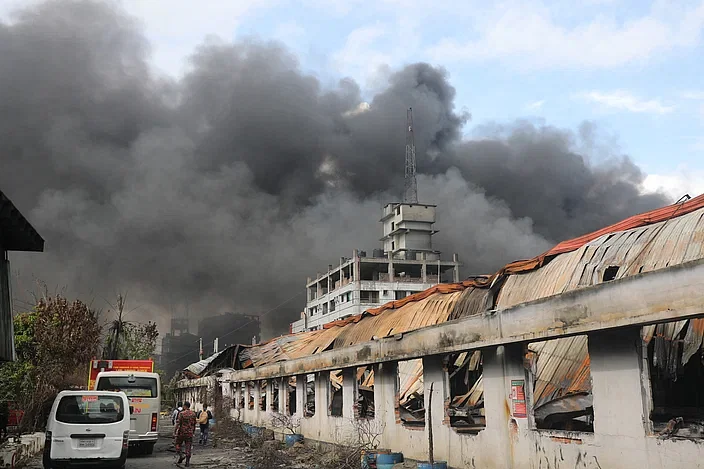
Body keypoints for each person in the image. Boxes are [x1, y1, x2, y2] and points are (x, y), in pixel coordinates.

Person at [174, 402, 197, 467]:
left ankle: (181, 455)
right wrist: (193, 432)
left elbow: (178, 423)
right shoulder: (193, 414)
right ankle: (187, 461)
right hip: (189, 433)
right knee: (188, 446)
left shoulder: (181, 414)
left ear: (184, 406)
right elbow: (194, 424)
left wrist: (174, 432)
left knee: (177, 444)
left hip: (182, 432)